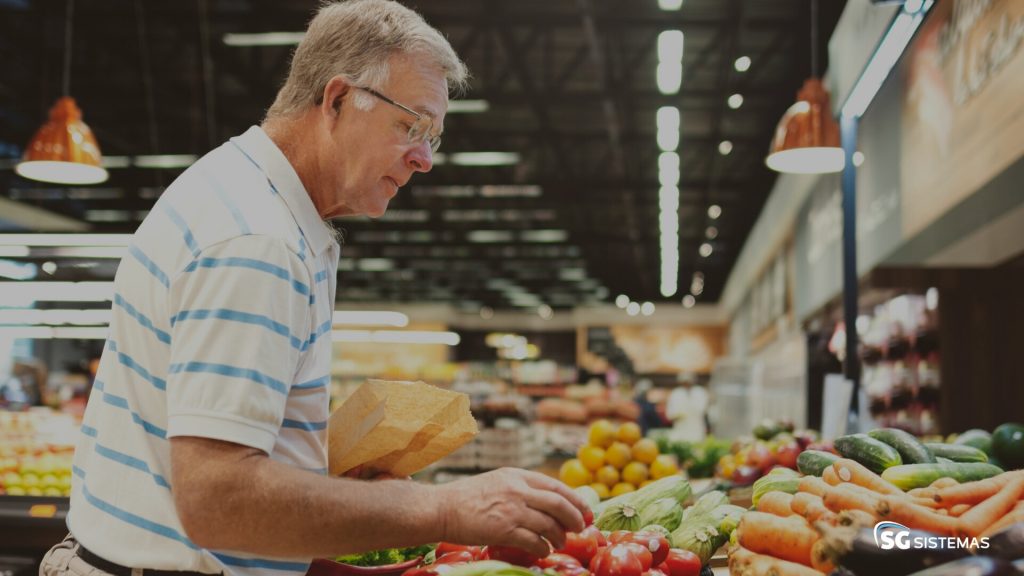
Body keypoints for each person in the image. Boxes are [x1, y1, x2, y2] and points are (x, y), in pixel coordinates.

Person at [40, 2, 587, 576]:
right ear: (338, 100)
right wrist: (445, 508)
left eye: (434, 136)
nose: (425, 159)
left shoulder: (253, 199)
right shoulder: (258, 239)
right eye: (412, 125)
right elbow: (218, 502)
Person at [665, 373, 708, 443]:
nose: (687, 384)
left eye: (688, 382)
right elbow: (670, 413)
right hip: (681, 432)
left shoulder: (700, 392)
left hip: (697, 432)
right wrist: (676, 416)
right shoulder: (676, 393)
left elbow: (703, 410)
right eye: (685, 382)